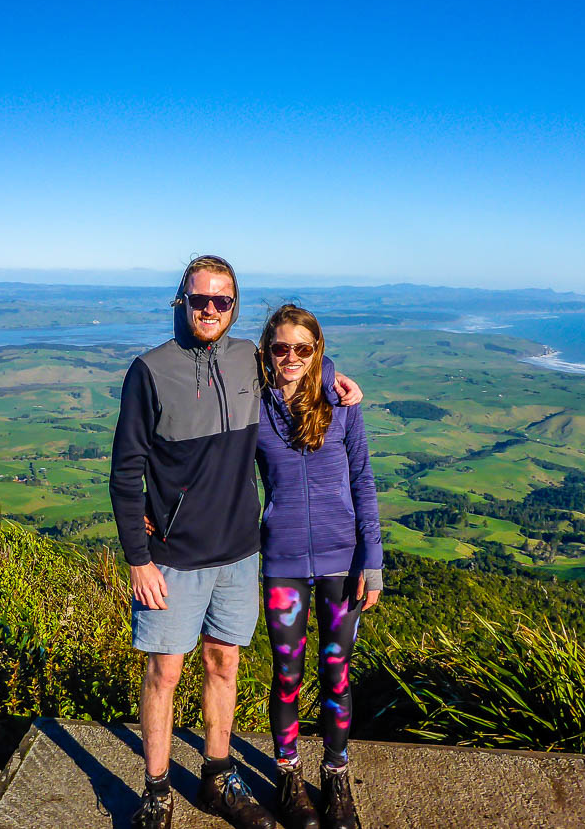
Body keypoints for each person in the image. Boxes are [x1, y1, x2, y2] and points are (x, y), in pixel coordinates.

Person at [110, 256, 362, 829]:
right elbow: (126, 471)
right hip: (172, 557)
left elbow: (295, 361)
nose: (209, 310)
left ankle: (217, 777)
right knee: (164, 673)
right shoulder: (148, 371)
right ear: (182, 300)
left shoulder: (250, 356)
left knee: (224, 664)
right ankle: (155, 789)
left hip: (241, 553)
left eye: (221, 301)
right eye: (199, 299)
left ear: (234, 306)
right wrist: (137, 558)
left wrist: (336, 381)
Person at [254, 304, 382, 829]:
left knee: (336, 674)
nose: (290, 358)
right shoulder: (252, 407)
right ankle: (288, 775)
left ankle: (335, 774)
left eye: (302, 349)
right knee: (287, 677)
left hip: (340, 561)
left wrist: (371, 560)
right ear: (266, 351)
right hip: (281, 560)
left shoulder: (343, 405)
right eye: (280, 348)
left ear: (317, 352)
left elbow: (363, 481)